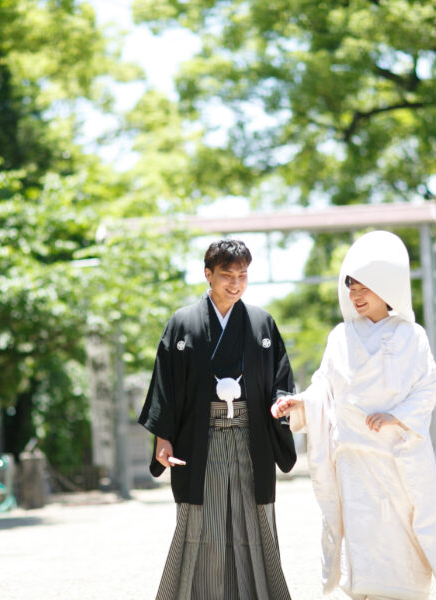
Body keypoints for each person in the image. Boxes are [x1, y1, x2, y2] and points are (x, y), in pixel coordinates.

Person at [271, 230, 436, 600]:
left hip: (395, 455)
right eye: (350, 288)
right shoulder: (340, 335)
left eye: (363, 288)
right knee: (362, 537)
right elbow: (325, 386)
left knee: (401, 531)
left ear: (387, 288)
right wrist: (301, 403)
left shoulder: (412, 335)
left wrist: (398, 416)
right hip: (353, 457)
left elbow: (429, 384)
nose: (355, 296)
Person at [138, 239, 297, 600]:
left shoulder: (261, 322)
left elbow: (280, 381)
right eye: (227, 275)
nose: (236, 283)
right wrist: (163, 438)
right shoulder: (183, 323)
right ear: (208, 275)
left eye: (242, 275)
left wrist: (281, 403)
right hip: (199, 440)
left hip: (250, 436)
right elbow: (166, 385)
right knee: (201, 524)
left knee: (253, 522)